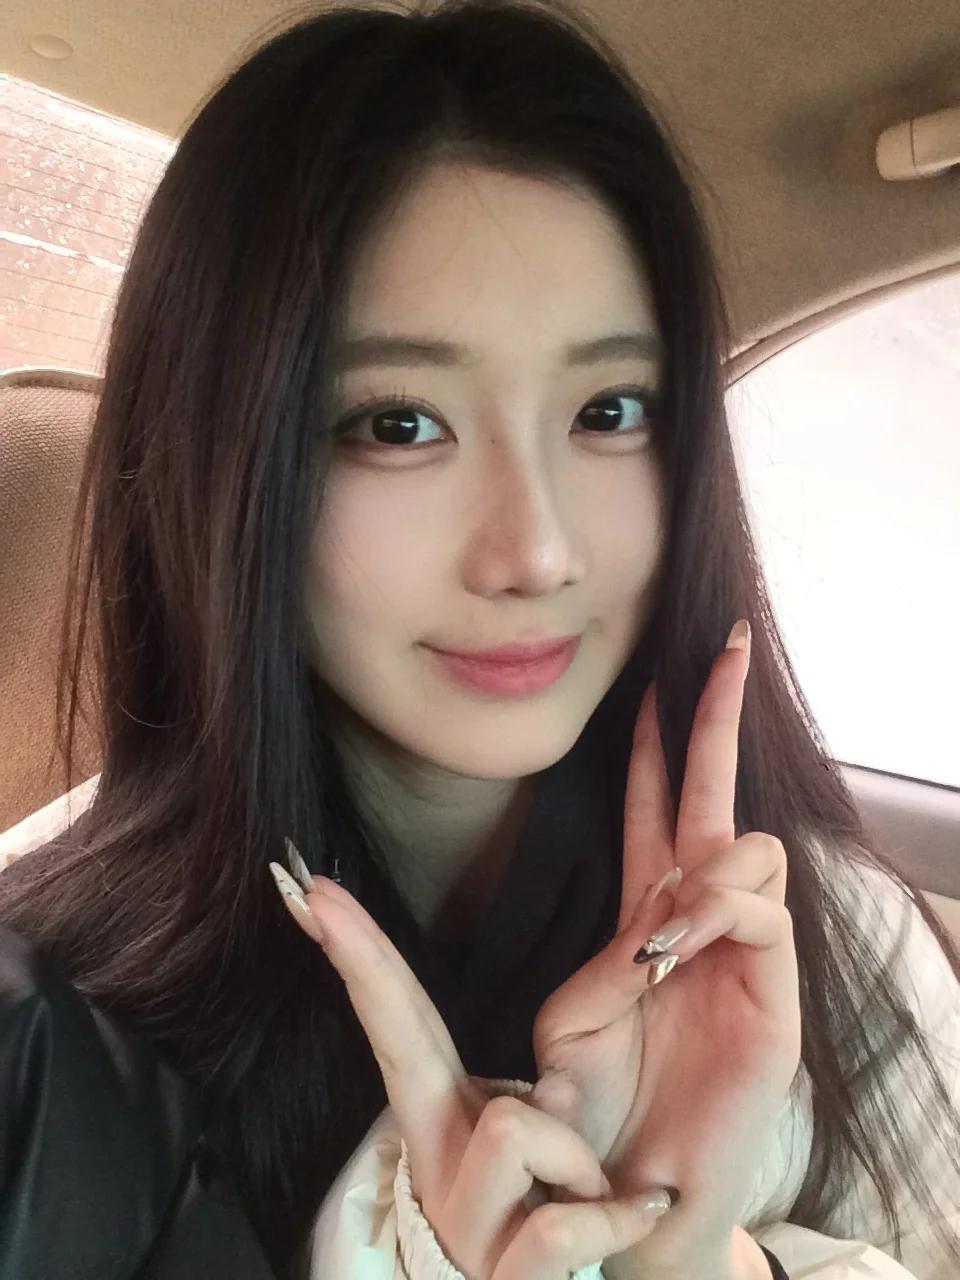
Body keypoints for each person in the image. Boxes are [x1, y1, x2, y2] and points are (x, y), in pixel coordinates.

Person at [0, 1, 958, 1277]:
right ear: (222, 468)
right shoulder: (46, 1025)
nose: (538, 551)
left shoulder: (839, 945)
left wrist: (690, 1255)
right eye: (399, 423)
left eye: (610, 409)